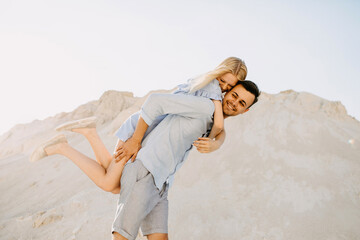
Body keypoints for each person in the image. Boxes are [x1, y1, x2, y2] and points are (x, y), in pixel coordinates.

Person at [30, 58, 259, 240]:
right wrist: (136, 141)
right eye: (227, 88)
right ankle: (65, 146)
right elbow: (157, 103)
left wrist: (217, 141)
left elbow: (220, 126)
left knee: (112, 181)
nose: (227, 91)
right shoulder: (207, 100)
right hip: (141, 136)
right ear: (217, 77)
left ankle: (88, 134)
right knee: (112, 188)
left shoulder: (211, 105)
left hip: (158, 173)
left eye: (237, 95)